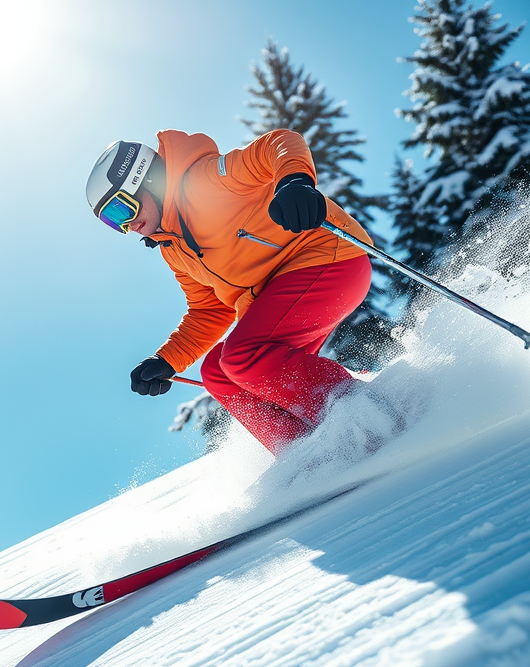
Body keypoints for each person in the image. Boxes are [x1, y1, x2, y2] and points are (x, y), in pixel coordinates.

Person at [86, 130, 375, 455]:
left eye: (121, 211)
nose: (128, 226)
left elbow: (278, 143)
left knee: (242, 355)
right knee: (217, 370)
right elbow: (209, 311)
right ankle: (307, 454)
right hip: (282, 297)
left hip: (327, 258)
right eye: (113, 223)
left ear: (147, 181)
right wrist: (166, 359)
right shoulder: (174, 250)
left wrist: (295, 181)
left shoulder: (203, 181)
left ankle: (365, 416)